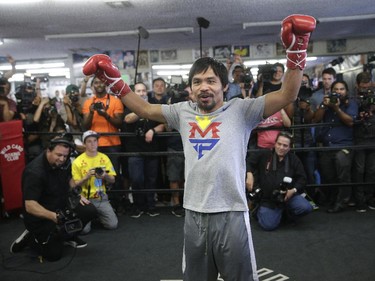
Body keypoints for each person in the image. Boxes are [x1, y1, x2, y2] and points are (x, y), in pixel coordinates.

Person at [82, 14, 316, 281]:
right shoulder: (183, 112)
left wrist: (297, 51)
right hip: (194, 213)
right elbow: (144, 108)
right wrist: (114, 79)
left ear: (225, 87)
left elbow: (288, 95)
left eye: (211, 81)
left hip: (232, 212)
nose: (204, 87)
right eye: (197, 82)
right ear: (190, 90)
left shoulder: (241, 109)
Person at [10, 136, 96, 262]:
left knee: (89, 210)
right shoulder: (34, 172)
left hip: (60, 205)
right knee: (53, 255)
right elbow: (30, 205)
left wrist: (76, 193)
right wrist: (54, 217)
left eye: (65, 156)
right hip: (40, 215)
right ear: (48, 150)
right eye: (59, 155)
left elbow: (69, 179)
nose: (62, 159)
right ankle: (30, 237)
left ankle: (67, 236)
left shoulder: (64, 161)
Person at [246, 132, 313, 231]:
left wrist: (293, 190)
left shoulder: (294, 159)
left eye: (285, 145)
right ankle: (263, 211)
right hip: (267, 199)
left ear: (289, 147)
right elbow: (248, 162)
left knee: (306, 207)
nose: (281, 147)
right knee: (268, 226)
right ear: (275, 143)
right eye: (279, 144)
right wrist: (249, 173)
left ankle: (284, 213)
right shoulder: (264, 155)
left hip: (287, 196)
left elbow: (302, 178)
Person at [313, 80, 358, 213]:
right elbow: (316, 119)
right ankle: (332, 199)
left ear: (346, 91)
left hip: (344, 146)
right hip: (328, 146)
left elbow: (350, 122)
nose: (338, 92)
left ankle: (342, 202)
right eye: (336, 89)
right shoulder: (327, 103)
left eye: (342, 89)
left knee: (342, 168)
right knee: (327, 173)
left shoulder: (351, 104)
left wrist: (336, 109)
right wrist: (323, 105)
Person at [82, 76, 124, 211]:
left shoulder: (115, 101)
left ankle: (116, 204)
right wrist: (92, 112)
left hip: (113, 144)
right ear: (93, 85)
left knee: (113, 175)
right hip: (95, 145)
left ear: (106, 84)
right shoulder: (88, 103)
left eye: (101, 82)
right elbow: (85, 126)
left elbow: (119, 123)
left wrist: (105, 114)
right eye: (96, 82)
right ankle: (97, 205)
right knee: (96, 175)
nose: (99, 84)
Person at [122, 82, 164, 218]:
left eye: (143, 91)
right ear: (134, 93)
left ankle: (151, 206)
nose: (141, 93)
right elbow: (128, 119)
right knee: (137, 179)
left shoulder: (153, 105)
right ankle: (139, 206)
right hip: (134, 149)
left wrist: (153, 130)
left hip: (151, 149)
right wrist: (142, 110)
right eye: (138, 91)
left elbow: (163, 123)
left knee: (151, 179)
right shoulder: (129, 105)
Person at [71, 130, 118, 233]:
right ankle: (90, 216)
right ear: (84, 144)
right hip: (85, 199)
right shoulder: (77, 161)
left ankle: (97, 215)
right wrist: (86, 177)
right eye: (89, 141)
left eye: (95, 141)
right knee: (84, 230)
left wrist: (105, 175)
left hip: (101, 197)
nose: (93, 144)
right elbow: (74, 185)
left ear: (98, 142)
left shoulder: (104, 158)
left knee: (112, 225)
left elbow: (113, 180)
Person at [352, 71, 375, 212]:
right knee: (359, 170)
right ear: (357, 85)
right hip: (359, 138)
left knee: (372, 170)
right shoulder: (353, 98)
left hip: (373, 137)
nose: (366, 90)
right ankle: (359, 201)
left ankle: (370, 198)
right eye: (363, 87)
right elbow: (350, 118)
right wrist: (359, 115)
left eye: (368, 87)